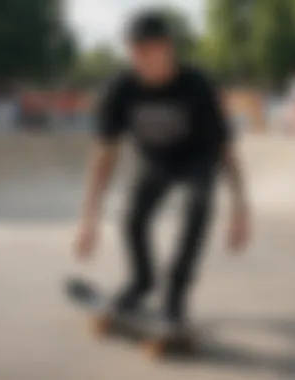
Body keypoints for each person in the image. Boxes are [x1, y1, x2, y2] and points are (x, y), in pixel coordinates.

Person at [75, 11, 251, 331]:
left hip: (197, 160)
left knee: (199, 206)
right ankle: (142, 282)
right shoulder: (120, 90)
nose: (138, 58)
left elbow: (226, 150)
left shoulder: (197, 85)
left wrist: (240, 209)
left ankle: (175, 298)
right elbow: (104, 155)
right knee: (132, 218)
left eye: (146, 50)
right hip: (155, 162)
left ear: (167, 47)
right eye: (133, 51)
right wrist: (89, 217)